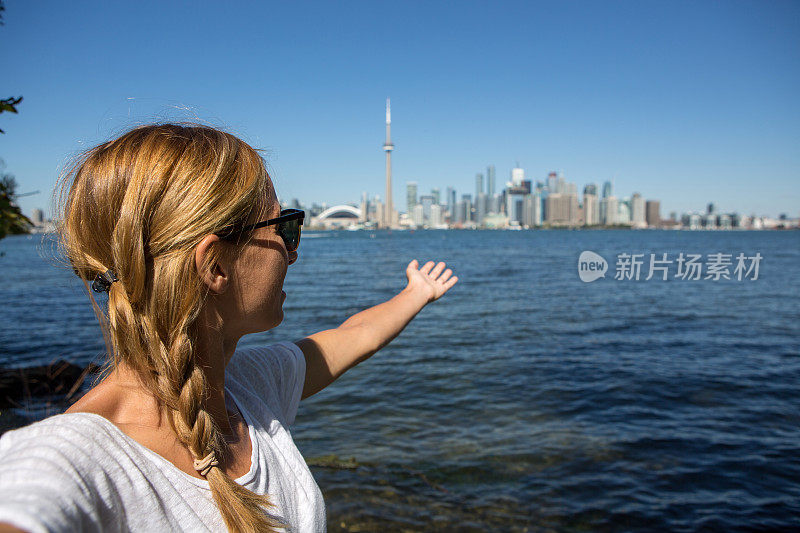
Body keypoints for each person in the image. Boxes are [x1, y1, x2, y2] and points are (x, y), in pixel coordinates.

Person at [0, 124, 458, 533]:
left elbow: (354, 336)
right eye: (286, 229)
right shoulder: (73, 460)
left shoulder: (250, 389)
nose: (294, 253)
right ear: (215, 265)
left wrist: (414, 293)